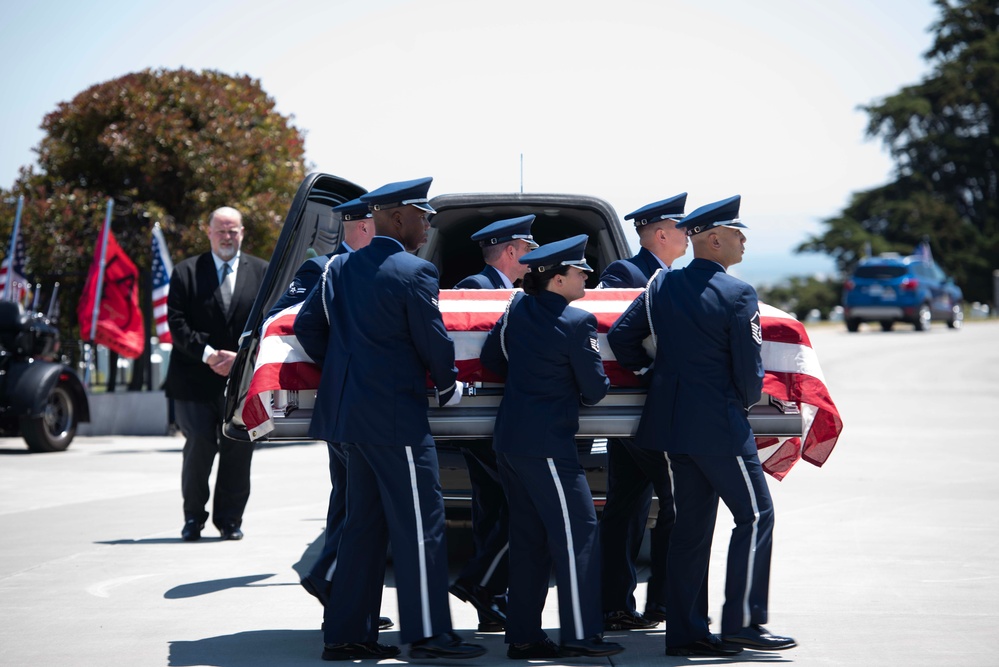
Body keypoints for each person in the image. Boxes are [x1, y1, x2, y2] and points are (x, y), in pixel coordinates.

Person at [294, 177, 485, 662]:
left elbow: (306, 327)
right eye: (423, 216)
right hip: (395, 416)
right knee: (422, 522)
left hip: (348, 417)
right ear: (397, 217)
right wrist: (446, 386)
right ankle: (425, 636)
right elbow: (435, 340)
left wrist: (346, 367)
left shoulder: (337, 269)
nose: (427, 225)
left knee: (364, 524)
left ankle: (346, 635)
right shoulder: (413, 271)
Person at [607, 195, 796, 657]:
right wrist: (748, 401)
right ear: (714, 239)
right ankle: (743, 623)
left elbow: (620, 336)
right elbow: (749, 373)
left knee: (692, 527)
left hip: (671, 429)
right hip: (719, 427)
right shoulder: (738, 293)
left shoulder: (661, 286)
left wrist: (653, 376)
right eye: (737, 233)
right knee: (756, 516)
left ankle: (686, 632)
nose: (744, 240)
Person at [479, 234, 624, 660]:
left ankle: (524, 636)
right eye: (580, 271)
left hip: (510, 439)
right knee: (580, 533)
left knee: (530, 538)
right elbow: (595, 389)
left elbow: (491, 358)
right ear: (557, 279)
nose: (586, 277)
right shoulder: (578, 322)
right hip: (547, 444)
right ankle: (580, 633)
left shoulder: (516, 309)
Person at [265, 197, 392, 631]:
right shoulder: (322, 269)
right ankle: (331, 581)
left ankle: (345, 602)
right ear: (363, 226)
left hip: (357, 403)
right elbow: (285, 320)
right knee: (361, 506)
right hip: (342, 400)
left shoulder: (375, 267)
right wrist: (339, 364)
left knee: (349, 502)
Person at [597, 193, 690, 630]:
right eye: (683, 228)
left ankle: (622, 605)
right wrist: (648, 372)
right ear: (661, 233)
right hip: (637, 410)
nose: (688, 235)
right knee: (670, 503)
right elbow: (614, 337)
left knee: (629, 506)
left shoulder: (672, 276)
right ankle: (657, 603)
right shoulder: (627, 272)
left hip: (647, 412)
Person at [448, 214, 539, 633]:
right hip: (481, 418)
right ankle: (482, 587)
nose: (534, 257)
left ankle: (491, 600)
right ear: (509, 251)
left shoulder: (513, 292)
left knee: (496, 508)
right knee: (507, 506)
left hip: (500, 417)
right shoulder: (475, 289)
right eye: (529, 250)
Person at [166, 206, 268, 541]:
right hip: (193, 380)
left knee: (238, 449)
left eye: (233, 230)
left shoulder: (263, 272)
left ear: (242, 233)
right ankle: (193, 518)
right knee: (199, 446)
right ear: (208, 232)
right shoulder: (186, 272)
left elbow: (267, 324)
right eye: (221, 230)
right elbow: (177, 325)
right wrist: (209, 356)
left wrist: (240, 359)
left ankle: (230, 521)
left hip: (241, 382)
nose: (227, 237)